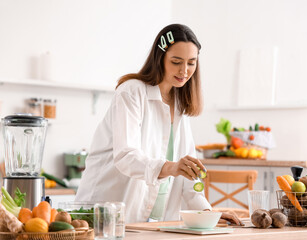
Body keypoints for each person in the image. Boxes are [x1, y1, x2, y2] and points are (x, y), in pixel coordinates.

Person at [75, 24, 242, 225]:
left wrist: (207, 212)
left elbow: (188, 175)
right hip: (105, 213)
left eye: (191, 63)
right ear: (159, 58)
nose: (184, 70)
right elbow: (125, 156)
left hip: (150, 222)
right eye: (176, 61)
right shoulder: (131, 92)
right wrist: (171, 167)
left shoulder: (180, 103)